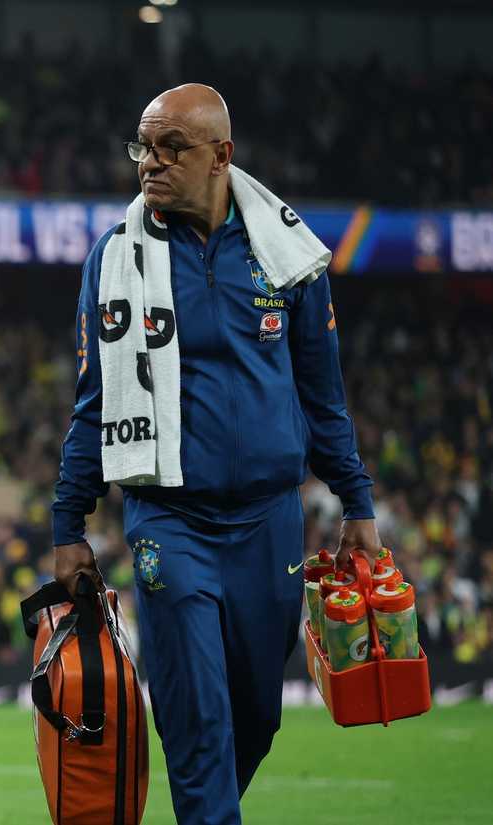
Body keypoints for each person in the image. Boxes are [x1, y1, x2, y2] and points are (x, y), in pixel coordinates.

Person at [51, 84, 381, 824]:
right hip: (168, 516)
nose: (151, 165)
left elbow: (323, 396)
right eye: (144, 147)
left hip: (270, 520)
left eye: (172, 148)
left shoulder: (287, 257)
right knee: (196, 710)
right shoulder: (114, 258)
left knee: (257, 713)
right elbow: (93, 400)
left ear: (221, 157)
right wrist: (67, 522)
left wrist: (357, 501)